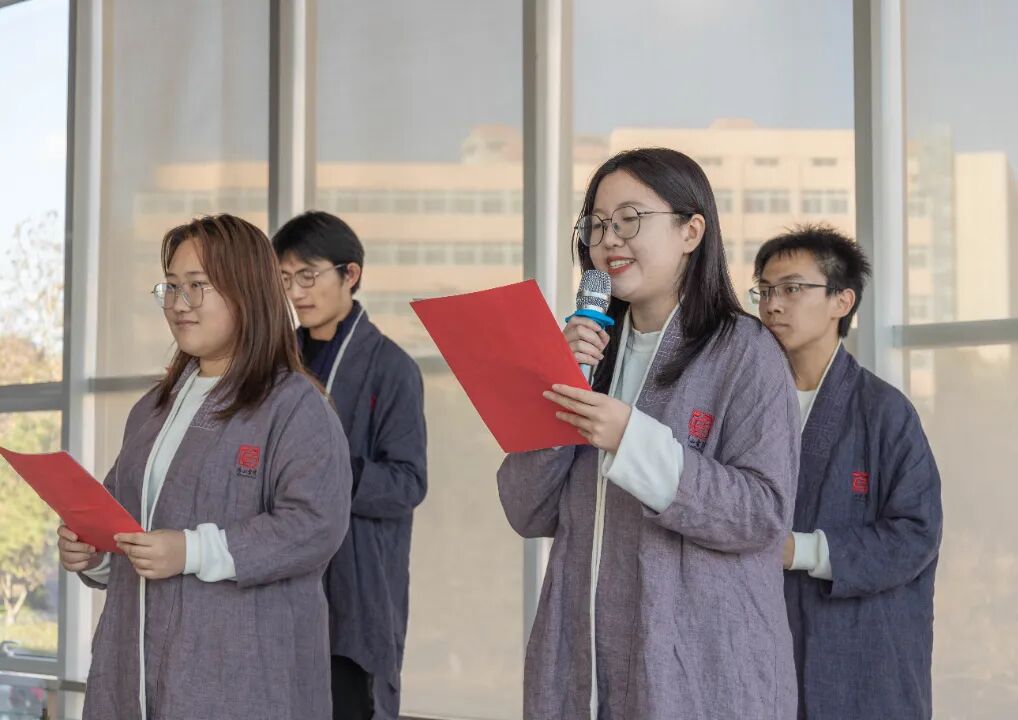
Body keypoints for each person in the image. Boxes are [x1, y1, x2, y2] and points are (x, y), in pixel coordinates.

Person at [497, 148, 800, 719]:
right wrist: (557, 382)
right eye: (596, 225)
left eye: (629, 220)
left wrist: (631, 439)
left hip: (700, 670)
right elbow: (526, 510)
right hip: (583, 661)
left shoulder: (745, 351)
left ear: (691, 231)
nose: (608, 240)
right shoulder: (587, 351)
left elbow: (763, 513)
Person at [56, 214, 352, 720]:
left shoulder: (294, 405)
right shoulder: (152, 409)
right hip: (132, 679)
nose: (178, 303)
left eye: (197, 286)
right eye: (171, 286)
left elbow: (314, 525)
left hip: (241, 684)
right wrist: (94, 554)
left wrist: (191, 550)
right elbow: (125, 526)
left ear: (247, 291)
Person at [751, 224, 943, 719]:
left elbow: (916, 533)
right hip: (763, 644)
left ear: (842, 300)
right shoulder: (747, 402)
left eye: (792, 289)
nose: (773, 305)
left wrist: (800, 550)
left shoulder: (884, 412)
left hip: (860, 657)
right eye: (765, 291)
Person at [272, 211, 427, 720]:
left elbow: (408, 483)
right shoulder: (274, 365)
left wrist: (329, 474)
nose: (296, 292)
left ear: (350, 274)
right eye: (285, 279)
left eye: (308, 275)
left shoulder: (392, 367)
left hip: (354, 592)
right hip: (280, 582)